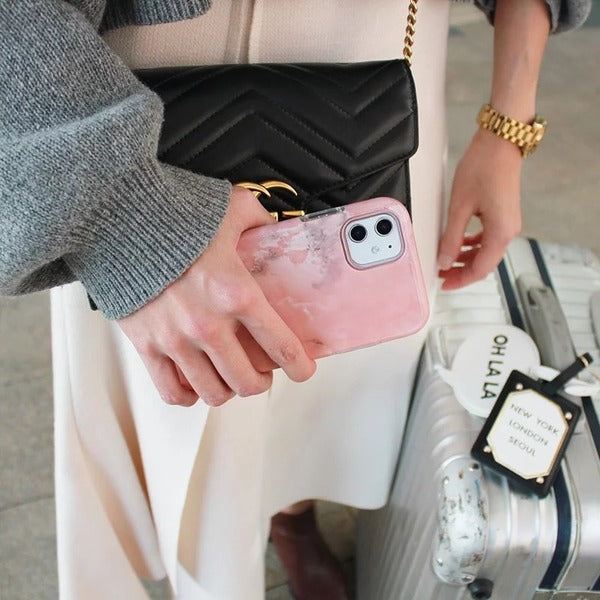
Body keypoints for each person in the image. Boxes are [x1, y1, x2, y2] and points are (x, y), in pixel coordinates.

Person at [0, 0, 591, 599]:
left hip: (371, 68)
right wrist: (122, 211)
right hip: (113, 99)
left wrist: (508, 128)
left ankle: (292, 511)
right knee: (178, 420)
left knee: (335, 384)